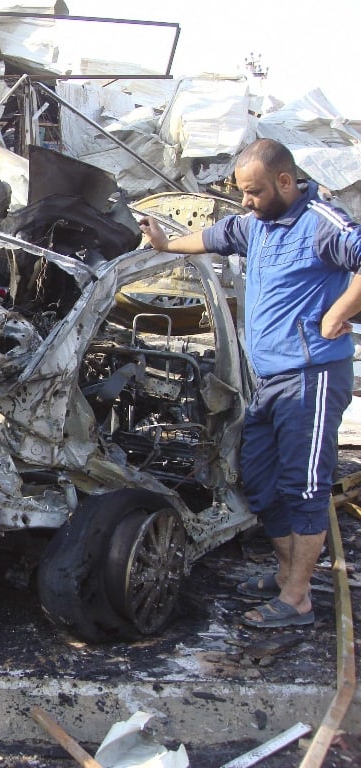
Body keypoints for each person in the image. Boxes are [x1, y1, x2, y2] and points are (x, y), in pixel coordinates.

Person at [139, 138, 361, 629]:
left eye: (254, 192)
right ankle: (286, 574)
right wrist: (164, 245)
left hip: (312, 377)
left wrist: (340, 313)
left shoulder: (321, 224)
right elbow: (215, 235)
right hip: (268, 379)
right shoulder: (255, 224)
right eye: (242, 192)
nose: (246, 201)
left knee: (304, 487)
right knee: (259, 477)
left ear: (285, 182)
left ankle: (297, 597)